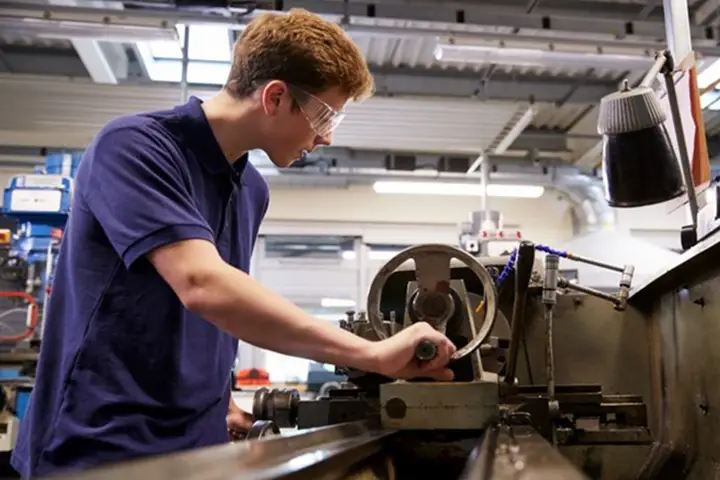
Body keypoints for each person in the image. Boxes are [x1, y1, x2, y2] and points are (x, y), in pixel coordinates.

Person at [11, 8, 456, 478]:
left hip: (196, 443)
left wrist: (219, 400)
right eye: (324, 115)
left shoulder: (250, 190)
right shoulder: (134, 146)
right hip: (99, 444)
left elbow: (218, 314)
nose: (325, 137)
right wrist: (370, 354)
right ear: (275, 97)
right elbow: (203, 285)